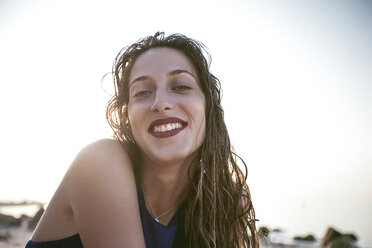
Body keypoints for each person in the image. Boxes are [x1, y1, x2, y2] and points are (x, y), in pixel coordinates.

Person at [26, 32, 259, 248]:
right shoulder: (99, 163)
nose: (160, 103)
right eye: (142, 92)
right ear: (127, 116)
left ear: (208, 107)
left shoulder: (222, 203)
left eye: (180, 86)